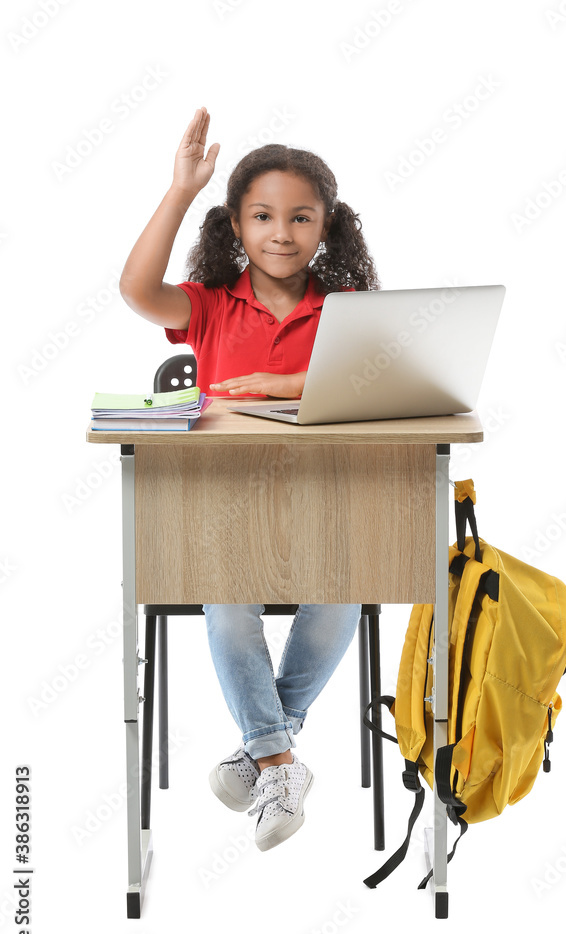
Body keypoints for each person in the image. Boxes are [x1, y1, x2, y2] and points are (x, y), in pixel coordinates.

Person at [119, 107, 380, 852]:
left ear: (325, 227)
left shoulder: (348, 312)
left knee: (345, 594)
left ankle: (261, 751)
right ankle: (278, 757)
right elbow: (138, 290)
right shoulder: (206, 304)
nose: (280, 232)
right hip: (226, 513)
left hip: (321, 509)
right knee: (228, 607)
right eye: (261, 216)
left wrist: (279, 381)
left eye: (300, 218)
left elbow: (376, 385)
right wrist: (178, 190)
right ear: (235, 224)